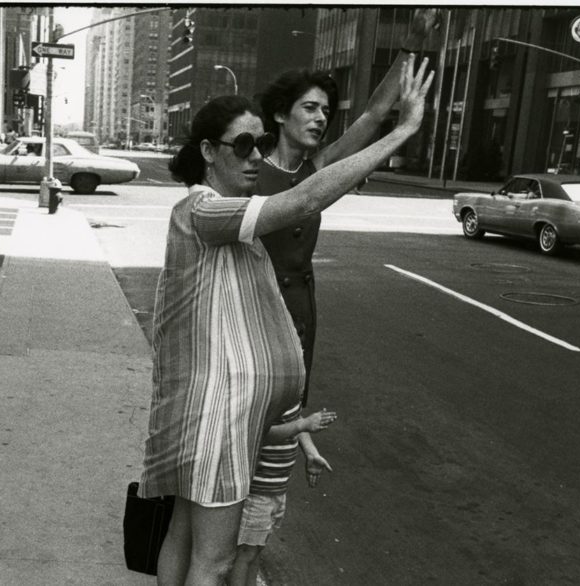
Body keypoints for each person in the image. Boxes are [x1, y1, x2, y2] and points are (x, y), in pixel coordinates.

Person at [137, 54, 432, 585]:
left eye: (256, 144)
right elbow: (304, 200)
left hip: (210, 408)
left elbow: (334, 155)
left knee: (182, 535)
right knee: (217, 560)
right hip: (218, 415)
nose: (253, 158)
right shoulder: (206, 212)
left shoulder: (216, 210)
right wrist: (405, 130)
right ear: (208, 152)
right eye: (242, 146)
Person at [253, 8, 439, 408]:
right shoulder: (251, 173)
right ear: (282, 114)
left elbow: (373, 114)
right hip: (257, 307)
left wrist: (413, 41)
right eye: (309, 108)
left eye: (325, 110)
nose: (321, 117)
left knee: (290, 412)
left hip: (302, 309)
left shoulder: (318, 167)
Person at [228, 405, 337, 586]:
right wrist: (302, 425)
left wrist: (311, 451)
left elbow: (293, 416)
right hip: (258, 489)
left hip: (276, 488)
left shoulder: (294, 381)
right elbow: (258, 429)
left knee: (255, 551)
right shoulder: (267, 383)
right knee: (245, 554)